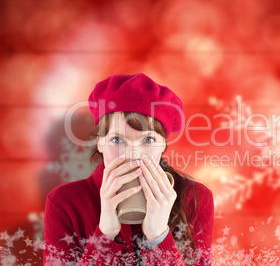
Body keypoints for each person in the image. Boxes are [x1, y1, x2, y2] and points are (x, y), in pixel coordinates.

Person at [43, 73, 214, 265]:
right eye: (117, 140)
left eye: (148, 140)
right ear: (100, 143)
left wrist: (158, 237)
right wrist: (105, 235)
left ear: (163, 146)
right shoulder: (64, 204)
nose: (133, 155)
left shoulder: (197, 200)